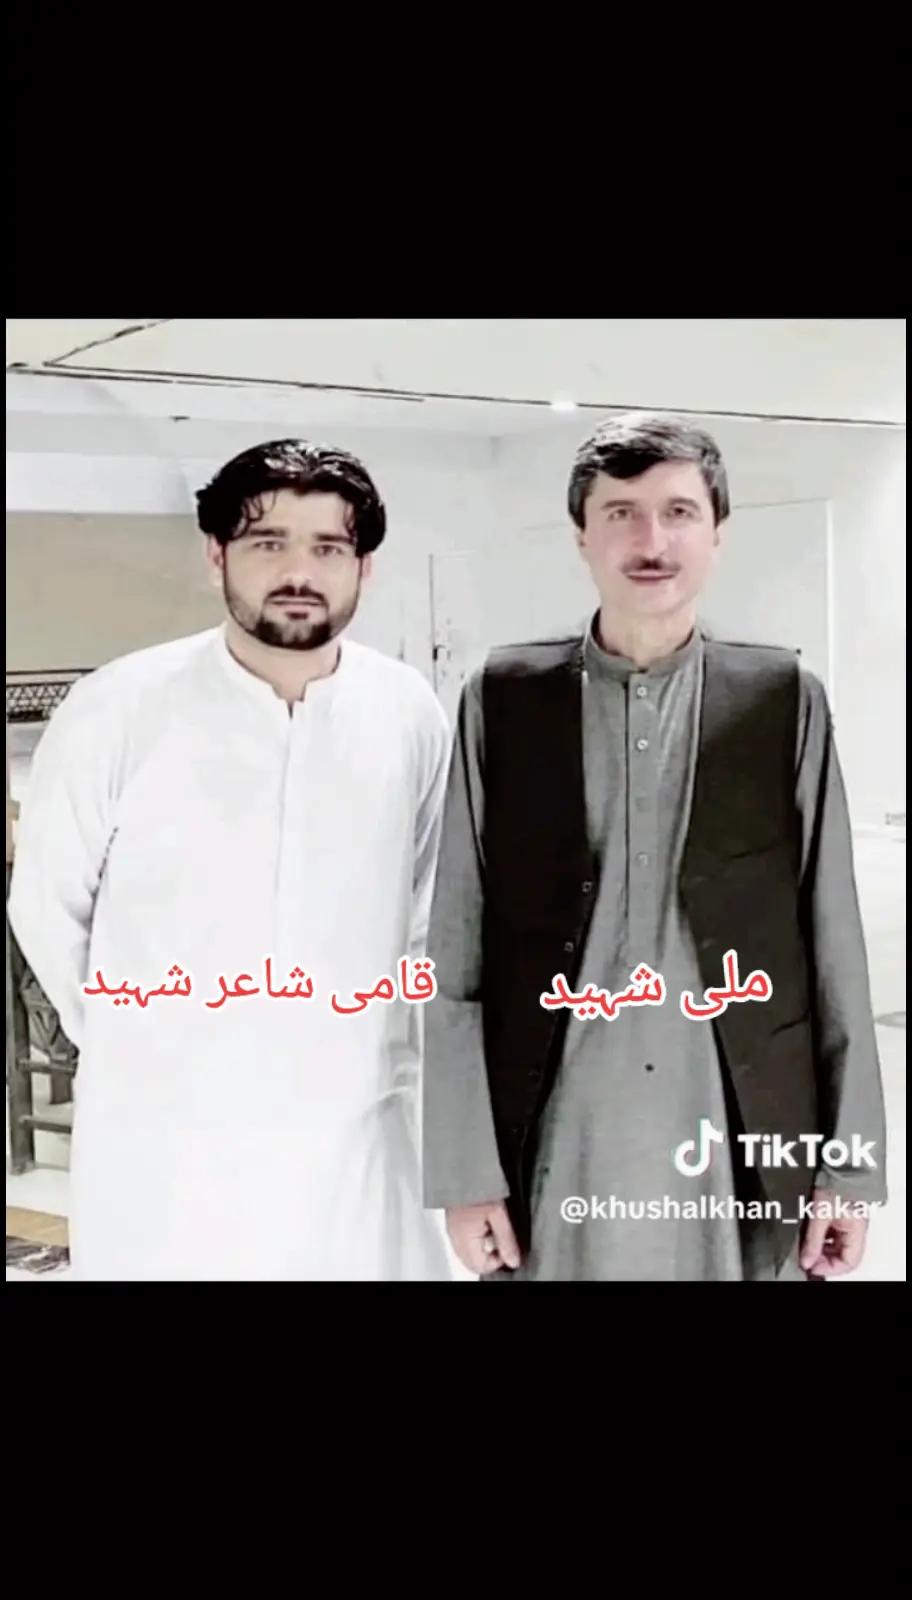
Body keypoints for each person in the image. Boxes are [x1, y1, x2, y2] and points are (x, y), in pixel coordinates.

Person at [422, 412, 888, 1282]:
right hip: (556, 1132)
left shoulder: (780, 699)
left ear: (718, 533)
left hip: (741, 1125)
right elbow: (454, 953)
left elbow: (835, 953)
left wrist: (849, 1170)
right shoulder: (505, 700)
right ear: (580, 535)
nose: (651, 540)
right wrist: (463, 1173)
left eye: (678, 512)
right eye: (621, 513)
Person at [9, 440, 454, 1281]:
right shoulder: (118, 709)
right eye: (267, 543)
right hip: (170, 1142)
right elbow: (46, 906)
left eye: (328, 547)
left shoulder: (407, 712)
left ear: (364, 566)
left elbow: (426, 907)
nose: (299, 572)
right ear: (217, 555)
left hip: (362, 1130)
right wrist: (144, 1047)